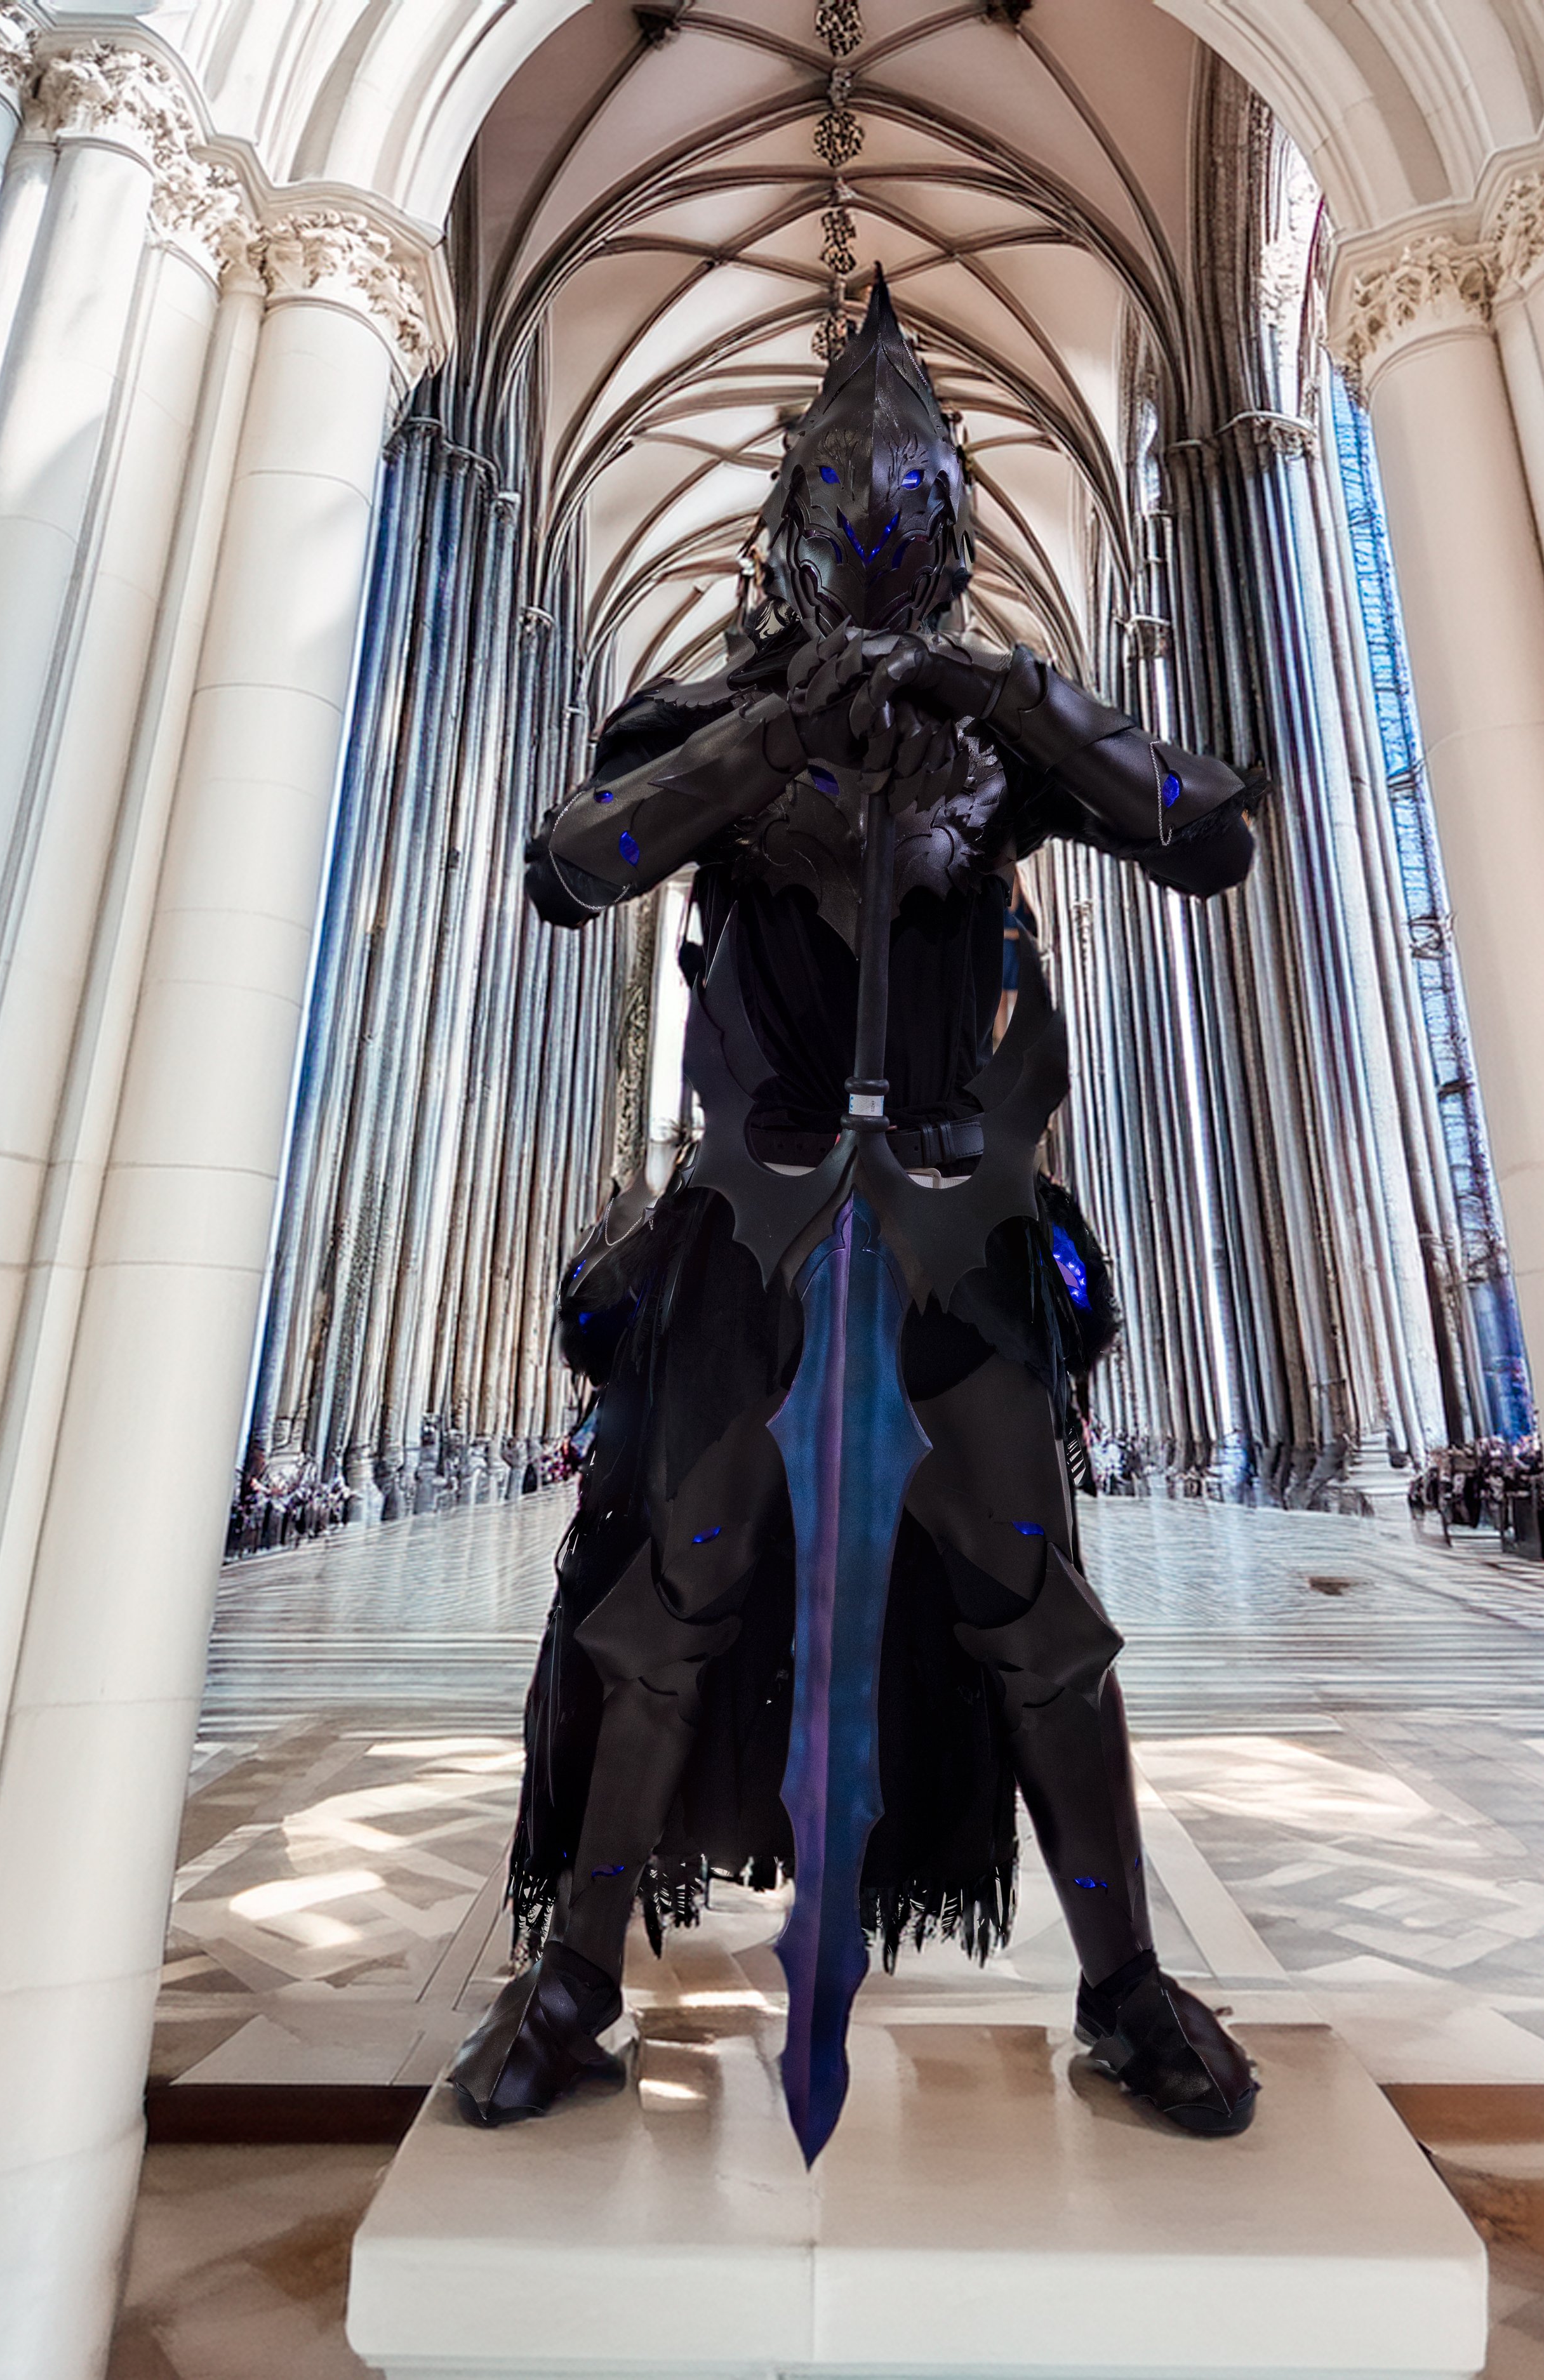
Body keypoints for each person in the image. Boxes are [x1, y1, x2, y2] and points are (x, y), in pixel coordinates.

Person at [450, 273, 1261, 2148]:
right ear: (794, 529)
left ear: (957, 539)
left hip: (959, 1245)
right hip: (749, 1240)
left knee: (1034, 1622)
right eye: (852, 525)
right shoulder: (710, 704)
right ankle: (576, 1979)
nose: (886, 556)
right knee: (666, 1608)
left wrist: (1019, 698)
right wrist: (753, 737)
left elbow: (1204, 831)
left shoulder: (1001, 744)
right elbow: (574, 866)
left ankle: (1124, 1984)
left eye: (921, 535)